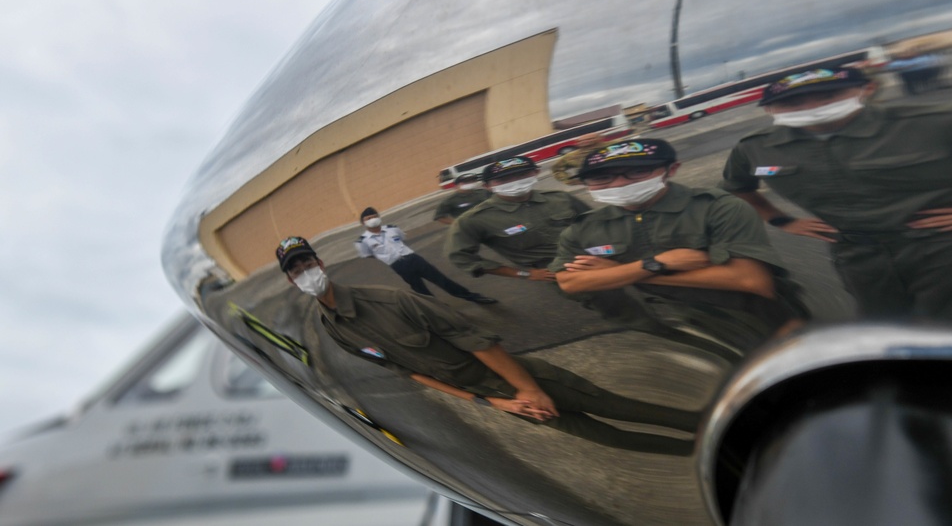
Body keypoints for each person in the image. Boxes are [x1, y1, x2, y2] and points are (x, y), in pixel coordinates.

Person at [276, 236, 699, 455]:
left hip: (519, 379)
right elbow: (411, 373)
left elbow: (478, 341)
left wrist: (527, 390)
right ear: (291, 280)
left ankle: (710, 426)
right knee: (611, 438)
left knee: (625, 409)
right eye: (295, 269)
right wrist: (488, 403)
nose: (305, 271)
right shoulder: (333, 329)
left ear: (320, 263)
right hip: (496, 397)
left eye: (307, 262)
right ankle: (694, 451)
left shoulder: (392, 300)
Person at [718, 66, 952, 321]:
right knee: (890, 331)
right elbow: (737, 189)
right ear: (770, 110)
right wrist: (783, 221)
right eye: (791, 102)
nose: (811, 106)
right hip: (859, 257)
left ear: (866, 89)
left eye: (828, 95)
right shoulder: (756, 149)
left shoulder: (941, 121)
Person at [551, 138, 806, 333]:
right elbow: (570, 283)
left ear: (671, 169)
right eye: (602, 177)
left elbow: (751, 281)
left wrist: (624, 272)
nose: (619, 184)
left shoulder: (716, 207)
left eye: (637, 172)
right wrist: (655, 265)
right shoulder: (584, 228)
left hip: (758, 316)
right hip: (682, 322)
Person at [445, 156, 591, 281]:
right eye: (503, 179)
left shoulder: (560, 197)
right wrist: (524, 274)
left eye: (523, 175)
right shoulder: (473, 219)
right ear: (487, 186)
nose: (515, 182)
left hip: (594, 254)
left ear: (536, 173)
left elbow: (595, 223)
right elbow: (460, 257)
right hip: (557, 270)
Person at [355, 207, 497, 305]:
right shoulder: (362, 241)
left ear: (379, 217)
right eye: (368, 218)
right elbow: (368, 255)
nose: (372, 219)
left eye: (374, 216)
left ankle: (473, 297)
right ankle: (437, 309)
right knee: (419, 288)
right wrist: (387, 257)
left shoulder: (393, 229)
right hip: (398, 265)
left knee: (441, 279)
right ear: (363, 222)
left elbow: (401, 238)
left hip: (414, 259)